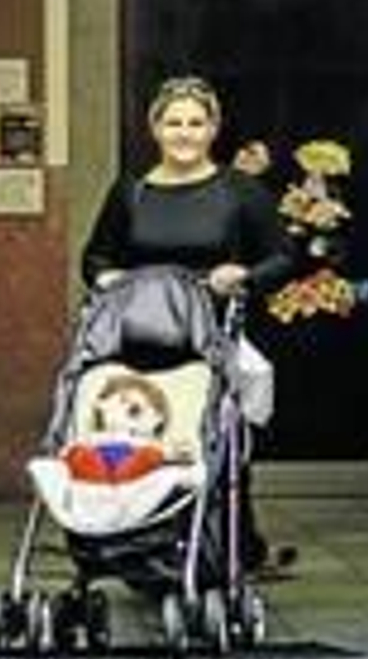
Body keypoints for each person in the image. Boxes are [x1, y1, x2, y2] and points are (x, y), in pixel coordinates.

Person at [81, 75, 296, 575]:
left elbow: (283, 257)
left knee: (219, 438)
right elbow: (95, 256)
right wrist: (106, 275)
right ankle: (132, 538)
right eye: (173, 122)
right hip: (136, 340)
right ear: (155, 128)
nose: (184, 133)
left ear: (213, 129)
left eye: (196, 123)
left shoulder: (240, 192)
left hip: (212, 337)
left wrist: (244, 275)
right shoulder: (130, 192)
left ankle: (234, 546)